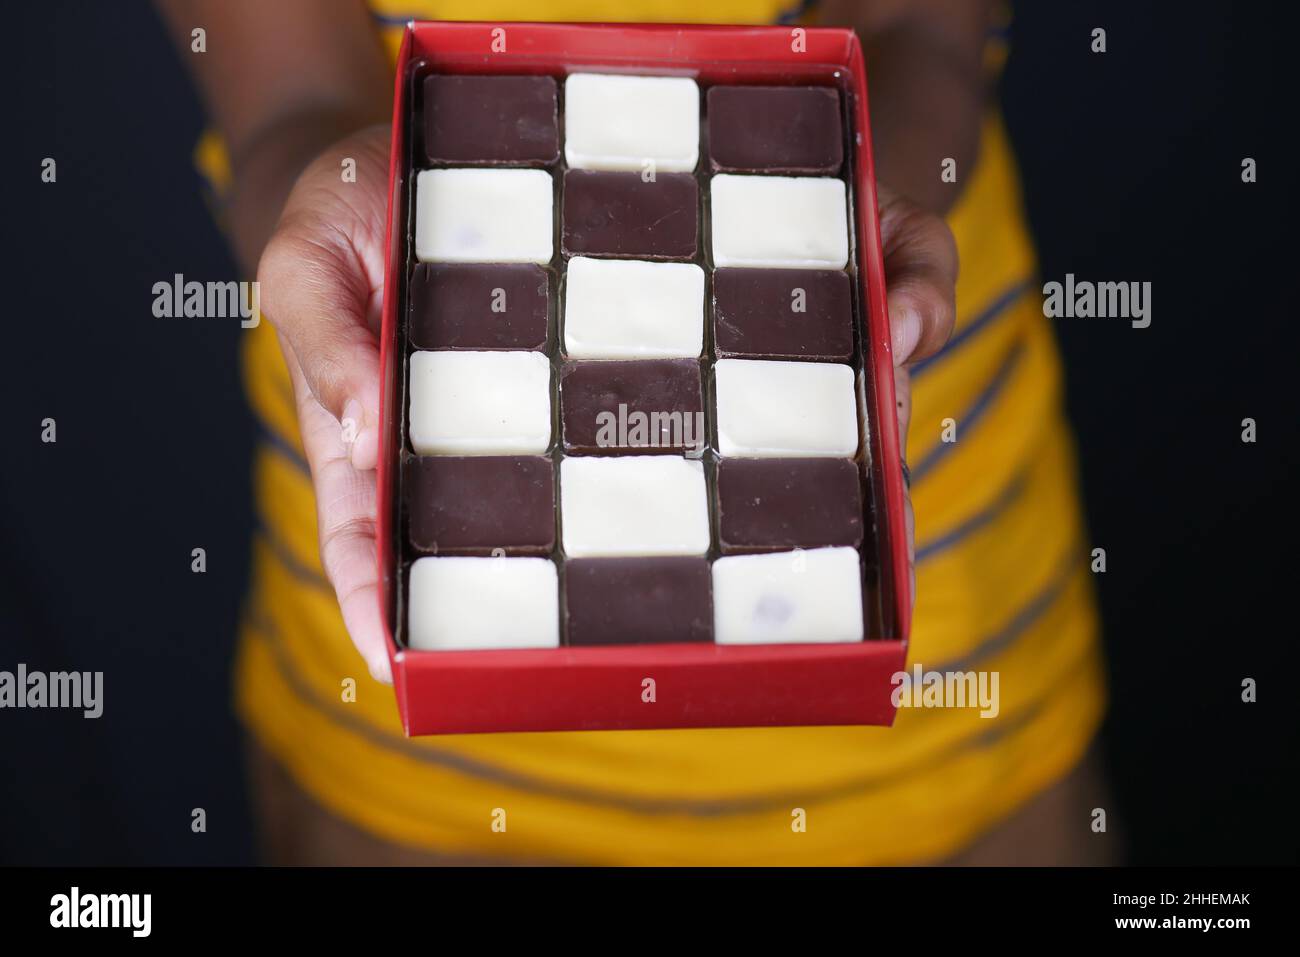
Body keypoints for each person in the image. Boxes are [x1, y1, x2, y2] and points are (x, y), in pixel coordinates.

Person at [159, 0, 1116, 865]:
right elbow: (288, 103)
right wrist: (331, 208)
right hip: (417, 746)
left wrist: (828, 234)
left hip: (943, 705)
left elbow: (923, 31)